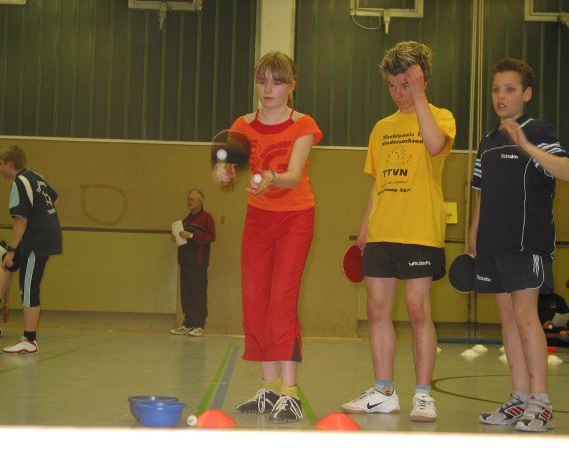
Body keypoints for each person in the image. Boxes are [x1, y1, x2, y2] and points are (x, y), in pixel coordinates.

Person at [341, 41, 456, 422]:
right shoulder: (381, 128)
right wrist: (364, 228)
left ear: (422, 80)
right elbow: (378, 182)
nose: (398, 93)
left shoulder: (441, 117)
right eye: (392, 86)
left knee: (418, 308)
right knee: (376, 310)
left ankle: (423, 396)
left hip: (420, 229)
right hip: (382, 231)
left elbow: (435, 146)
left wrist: (419, 97)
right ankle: (383, 392)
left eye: (405, 84)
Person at [213, 51, 323, 423]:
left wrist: (272, 178)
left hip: (296, 219)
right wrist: (225, 174)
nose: (268, 89)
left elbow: (293, 175)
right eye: (262, 81)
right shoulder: (242, 125)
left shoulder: (303, 124)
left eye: (277, 82)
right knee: (255, 299)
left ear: (291, 86)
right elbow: (226, 166)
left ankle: (290, 394)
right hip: (258, 219)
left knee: (281, 301)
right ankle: (269, 388)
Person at [469, 58, 569, 432]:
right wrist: (475, 233)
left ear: (526, 94)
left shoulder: (538, 130)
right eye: (496, 89)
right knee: (508, 320)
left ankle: (540, 402)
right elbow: (482, 192)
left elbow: (565, 170)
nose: (501, 96)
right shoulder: (488, 141)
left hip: (527, 243)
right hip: (494, 243)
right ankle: (519, 398)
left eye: (510, 89)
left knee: (526, 317)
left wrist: (525, 145)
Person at [0, 145, 63, 354]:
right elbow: (56, 198)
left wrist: (12, 250)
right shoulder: (36, 177)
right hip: (44, 236)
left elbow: (20, 221)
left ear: (10, 164)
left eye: (0, 164)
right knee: (15, 271)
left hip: (36, 239)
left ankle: (30, 340)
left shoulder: (19, 182)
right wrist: (44, 219)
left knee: (29, 287)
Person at [170, 189, 216, 337]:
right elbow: (183, 240)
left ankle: (199, 326)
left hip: (198, 262)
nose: (188, 201)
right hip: (185, 262)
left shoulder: (206, 218)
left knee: (198, 294)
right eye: (188, 199)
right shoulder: (185, 221)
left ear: (200, 201)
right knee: (186, 295)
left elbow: (211, 236)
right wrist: (176, 238)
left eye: (191, 199)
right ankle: (188, 324)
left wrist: (190, 235)